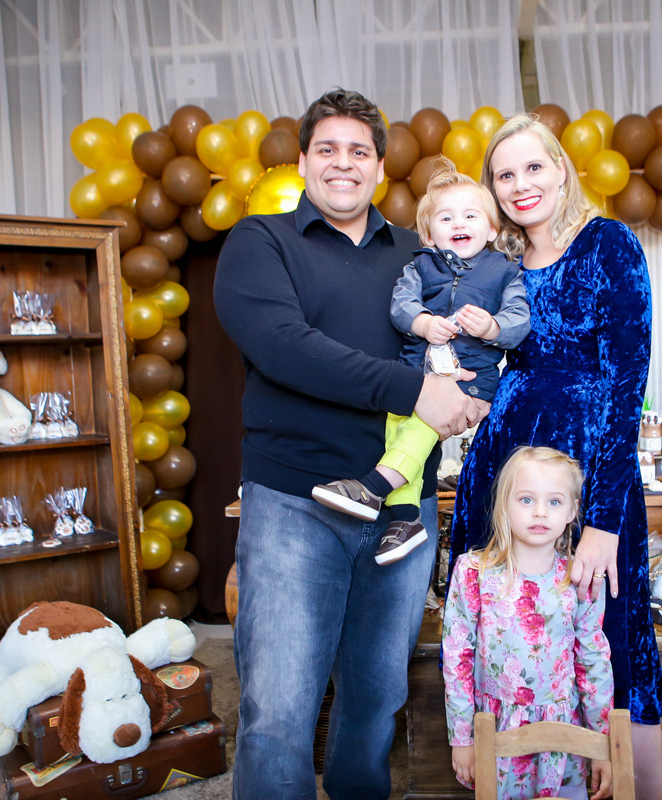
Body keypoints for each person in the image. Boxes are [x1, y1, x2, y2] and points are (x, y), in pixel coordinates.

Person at [213, 88, 486, 800]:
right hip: (294, 505)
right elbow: (284, 347)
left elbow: (479, 334)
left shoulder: (422, 254)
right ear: (303, 161)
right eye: (327, 149)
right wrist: (413, 391)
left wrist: (475, 389)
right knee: (279, 712)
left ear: (380, 168)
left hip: (402, 511)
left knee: (375, 704)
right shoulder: (260, 241)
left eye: (359, 151)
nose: (343, 163)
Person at [448, 114, 662, 799]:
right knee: (504, 642)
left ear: (562, 169)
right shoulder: (497, 264)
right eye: (504, 175)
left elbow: (627, 388)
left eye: (533, 167)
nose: (521, 185)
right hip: (502, 476)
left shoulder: (608, 244)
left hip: (587, 480)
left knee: (611, 639)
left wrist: (602, 521)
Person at [313, 162, 530, 565]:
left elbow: (519, 322)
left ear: (492, 229)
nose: (458, 223)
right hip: (419, 373)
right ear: (429, 234)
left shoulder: (503, 272)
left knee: (421, 427)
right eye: (446, 218)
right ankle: (405, 518)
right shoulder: (419, 267)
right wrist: (424, 323)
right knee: (397, 427)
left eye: (470, 216)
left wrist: (492, 327)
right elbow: (401, 306)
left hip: (471, 382)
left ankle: (373, 488)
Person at [442, 446, 614, 800]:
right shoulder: (473, 573)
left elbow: (594, 661)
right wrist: (462, 739)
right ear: (504, 504)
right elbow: (456, 659)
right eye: (526, 499)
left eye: (554, 501)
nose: (540, 512)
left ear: (572, 510)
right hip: (496, 733)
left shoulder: (579, 578)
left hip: (565, 736)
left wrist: (601, 742)